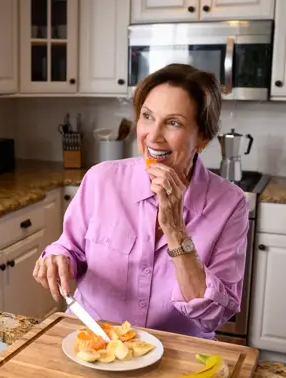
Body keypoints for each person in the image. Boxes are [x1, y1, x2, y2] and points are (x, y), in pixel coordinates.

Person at [33, 63, 249, 340]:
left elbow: (214, 315)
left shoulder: (230, 205)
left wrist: (175, 230)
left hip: (176, 356)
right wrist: (57, 259)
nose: (153, 136)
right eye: (147, 117)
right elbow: (71, 249)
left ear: (203, 138)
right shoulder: (101, 180)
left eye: (174, 123)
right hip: (94, 343)